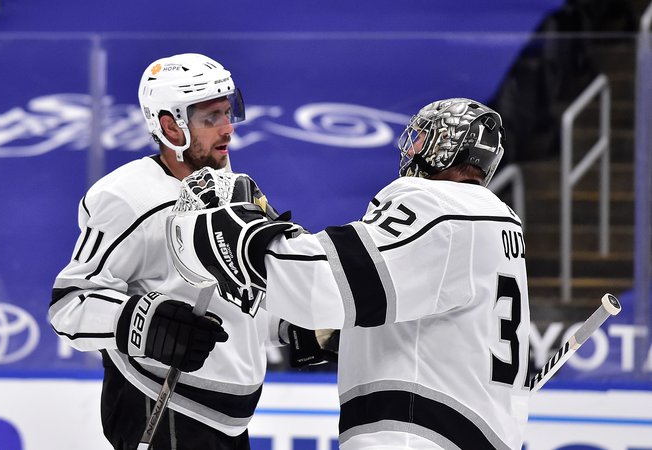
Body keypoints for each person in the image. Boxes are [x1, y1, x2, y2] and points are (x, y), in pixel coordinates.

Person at [167, 98, 532, 449]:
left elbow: (320, 284)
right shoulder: (498, 225)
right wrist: (313, 331)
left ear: (445, 148)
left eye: (421, 138)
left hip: (413, 438)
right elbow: (413, 314)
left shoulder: (438, 207)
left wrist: (238, 230)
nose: (411, 148)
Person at [49, 53, 330, 450]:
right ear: (170, 126)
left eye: (227, 113)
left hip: (228, 420)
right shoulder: (127, 197)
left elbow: (238, 297)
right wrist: (143, 322)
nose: (228, 129)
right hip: (163, 408)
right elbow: (69, 305)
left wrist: (291, 326)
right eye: (210, 118)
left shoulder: (232, 189)